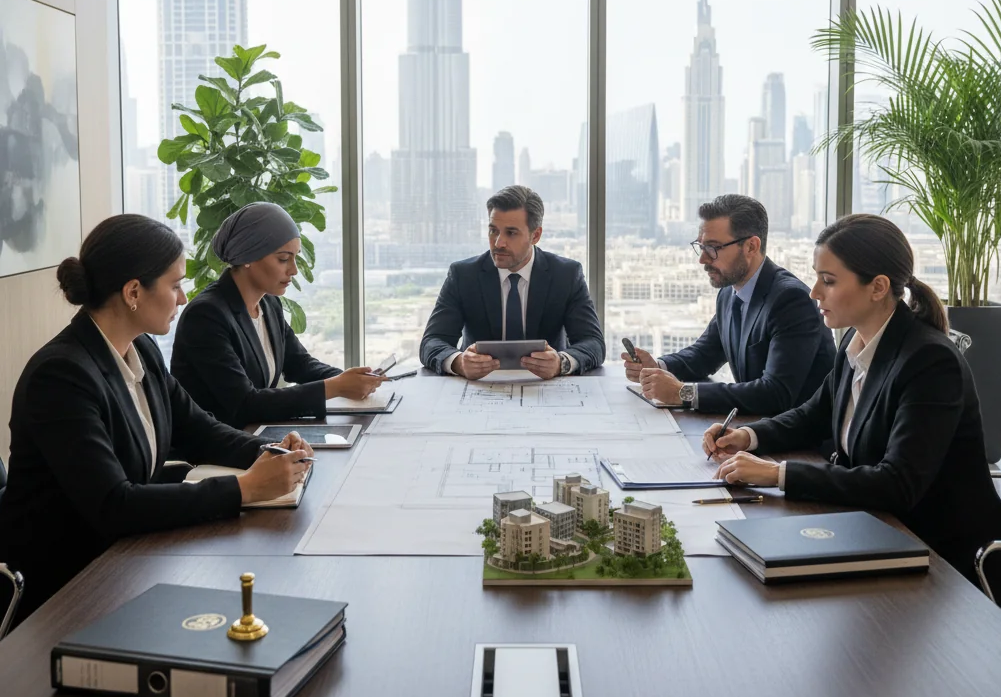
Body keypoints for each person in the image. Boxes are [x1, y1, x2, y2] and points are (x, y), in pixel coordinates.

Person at [0, 214, 312, 624]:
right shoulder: (61, 376)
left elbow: (198, 429)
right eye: (176, 284)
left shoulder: (141, 349)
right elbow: (114, 504)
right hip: (68, 585)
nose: (184, 298)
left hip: (127, 558)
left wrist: (271, 451)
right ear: (133, 292)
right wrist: (245, 488)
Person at [704, 213, 1001, 612]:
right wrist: (749, 437)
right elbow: (813, 414)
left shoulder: (928, 361)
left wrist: (777, 473)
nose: (814, 293)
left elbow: (898, 484)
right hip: (883, 534)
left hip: (949, 568)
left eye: (830, 280)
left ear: (878, 287)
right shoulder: (858, 342)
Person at [171, 202, 382, 427]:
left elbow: (299, 364)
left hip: (256, 436)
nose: (294, 270)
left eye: (295, 258)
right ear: (248, 257)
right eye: (283, 259)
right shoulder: (206, 316)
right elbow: (244, 403)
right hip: (216, 451)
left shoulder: (269, 303)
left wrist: (354, 379)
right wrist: (336, 387)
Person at [622, 194, 835, 414]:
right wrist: (657, 368)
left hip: (802, 443)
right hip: (754, 431)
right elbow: (705, 354)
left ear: (751, 246)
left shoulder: (790, 300)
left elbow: (775, 394)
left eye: (713, 248)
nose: (703, 259)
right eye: (701, 246)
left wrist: (683, 393)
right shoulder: (729, 291)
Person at [419, 185, 605, 379]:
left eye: (511, 233)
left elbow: (593, 343)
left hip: (546, 388)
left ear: (536, 235)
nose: (498, 242)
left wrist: (561, 362)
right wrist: (458, 363)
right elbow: (432, 342)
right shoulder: (463, 275)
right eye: (493, 231)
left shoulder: (565, 274)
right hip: (479, 387)